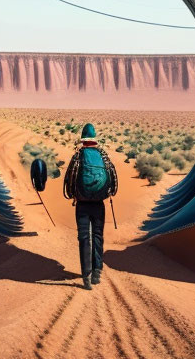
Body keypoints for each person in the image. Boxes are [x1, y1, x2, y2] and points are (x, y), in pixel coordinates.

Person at [63, 123, 118, 290]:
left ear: (83, 140)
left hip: (82, 205)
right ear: (95, 140)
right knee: (97, 236)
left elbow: (69, 180)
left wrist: (74, 194)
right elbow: (114, 182)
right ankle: (97, 272)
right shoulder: (104, 156)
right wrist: (108, 191)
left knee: (84, 238)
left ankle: (86, 276)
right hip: (99, 204)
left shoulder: (78, 156)